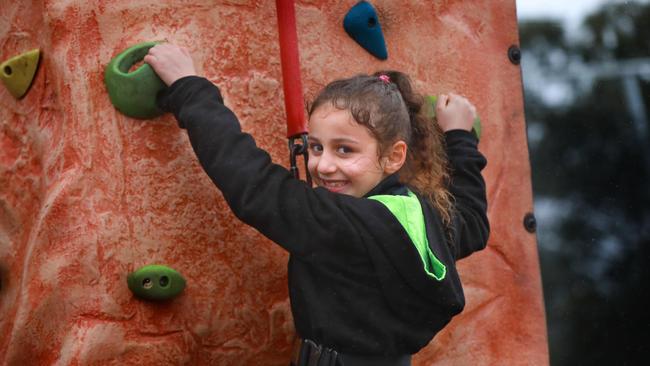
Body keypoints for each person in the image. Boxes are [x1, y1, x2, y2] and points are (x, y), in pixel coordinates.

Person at [145, 43, 489, 366]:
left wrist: (187, 86)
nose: (323, 166)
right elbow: (473, 221)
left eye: (345, 150)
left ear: (393, 156)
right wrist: (460, 138)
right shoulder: (421, 214)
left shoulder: (341, 224)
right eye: (316, 147)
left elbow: (252, 182)